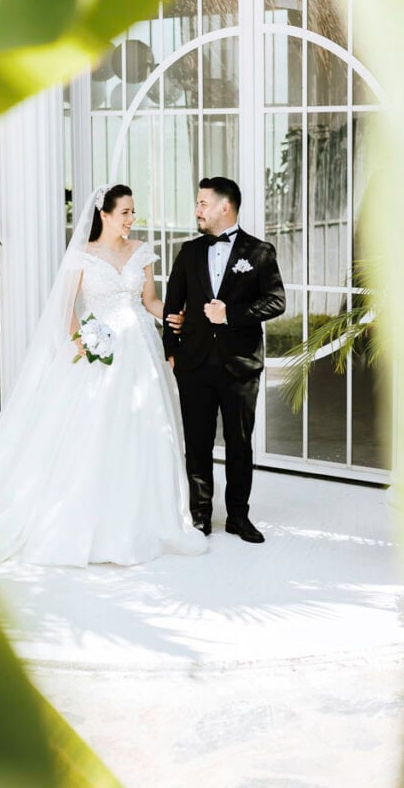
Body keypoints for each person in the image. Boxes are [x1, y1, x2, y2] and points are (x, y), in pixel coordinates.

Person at [0, 184, 207, 567]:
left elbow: (150, 301)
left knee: (144, 426)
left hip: (141, 350)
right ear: (104, 215)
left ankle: (146, 513)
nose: (131, 220)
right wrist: (81, 340)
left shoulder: (141, 252)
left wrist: (173, 316)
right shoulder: (83, 255)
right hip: (101, 348)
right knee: (95, 428)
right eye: (124, 213)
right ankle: (90, 518)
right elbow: (66, 307)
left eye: (134, 212)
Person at [163, 177, 286, 543]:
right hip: (195, 364)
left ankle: (238, 517)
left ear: (224, 207)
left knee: (239, 443)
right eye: (198, 203)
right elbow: (173, 304)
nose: (197, 210)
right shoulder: (188, 252)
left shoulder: (260, 252)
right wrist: (171, 350)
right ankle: (200, 516)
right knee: (197, 443)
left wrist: (230, 314)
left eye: (203, 203)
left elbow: (276, 301)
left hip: (240, 366)